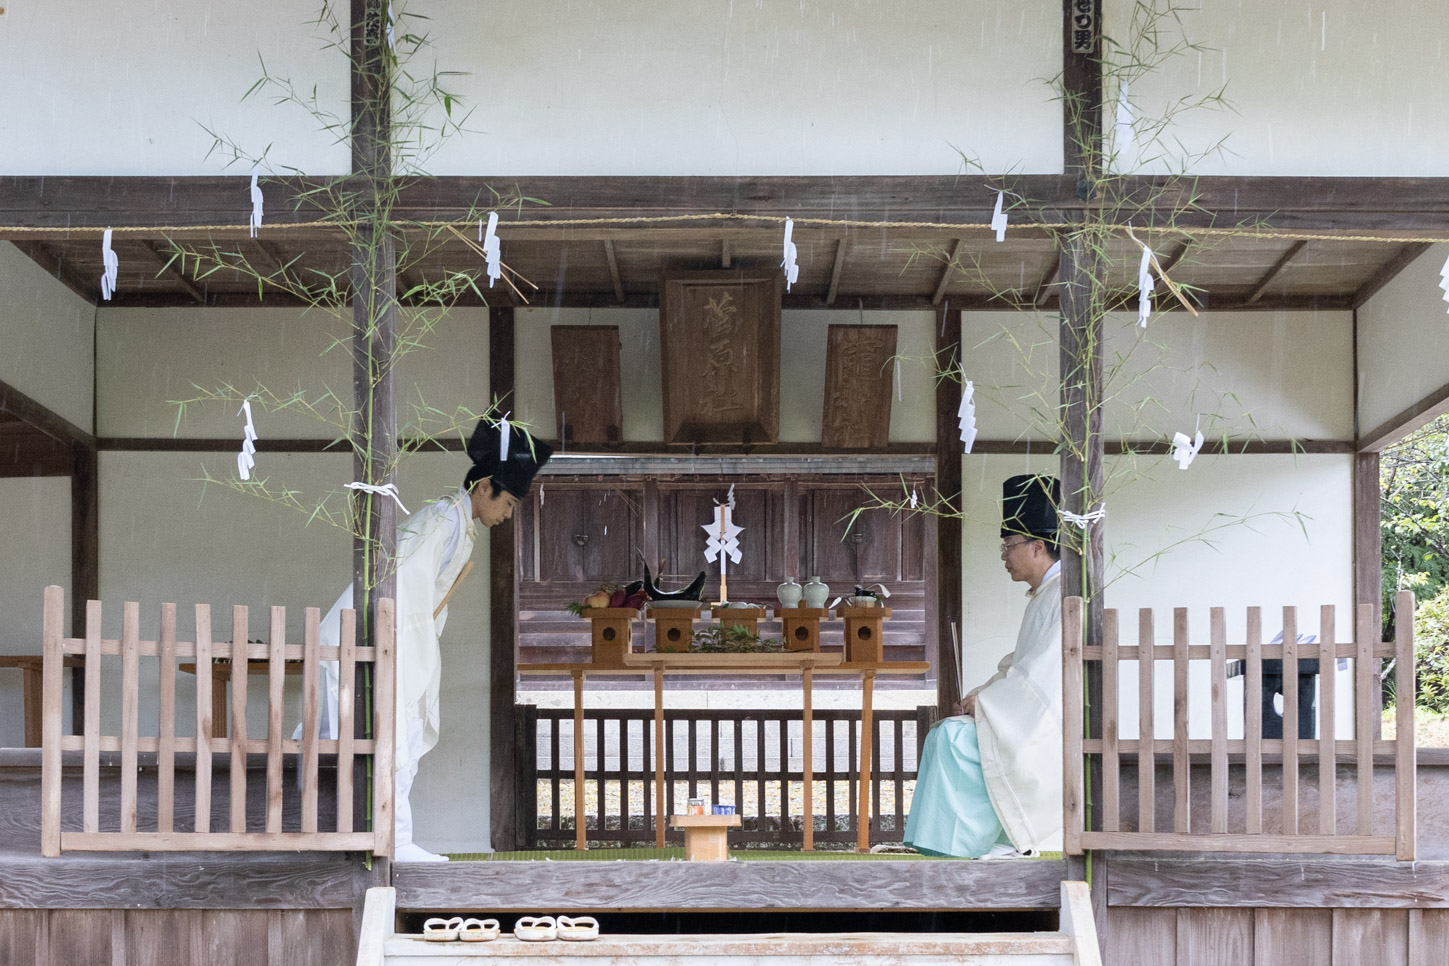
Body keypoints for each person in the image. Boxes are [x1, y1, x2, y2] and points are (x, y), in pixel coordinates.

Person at [311, 419, 551, 862]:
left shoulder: (456, 523)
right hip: (370, 639)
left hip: (382, 639)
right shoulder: (442, 520)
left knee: (381, 738)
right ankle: (386, 841)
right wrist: (411, 659)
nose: (508, 514)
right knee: (385, 736)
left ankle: (380, 839)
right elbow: (404, 593)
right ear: (484, 487)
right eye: (509, 502)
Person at [903, 474, 1064, 858]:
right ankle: (959, 845)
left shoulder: (1063, 596)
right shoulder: (1046, 594)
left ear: (1038, 547)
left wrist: (988, 704)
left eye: (1009, 546)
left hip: (1048, 728)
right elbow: (1020, 667)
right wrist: (982, 696)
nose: (1003, 555)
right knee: (945, 733)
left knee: (952, 738)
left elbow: (1043, 678)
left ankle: (971, 846)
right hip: (1027, 716)